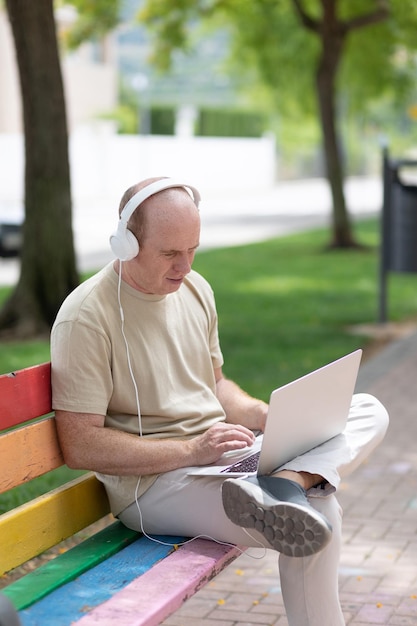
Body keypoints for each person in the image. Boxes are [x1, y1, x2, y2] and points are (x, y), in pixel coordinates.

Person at [51, 177, 389, 626]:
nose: (184, 267)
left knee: (369, 408)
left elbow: (216, 384)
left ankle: (284, 480)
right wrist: (192, 451)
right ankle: (286, 487)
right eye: (170, 253)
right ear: (126, 244)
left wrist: (265, 417)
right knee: (320, 509)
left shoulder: (195, 290)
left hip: (223, 458)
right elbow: (80, 445)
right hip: (154, 486)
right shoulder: (87, 318)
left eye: (192, 249)